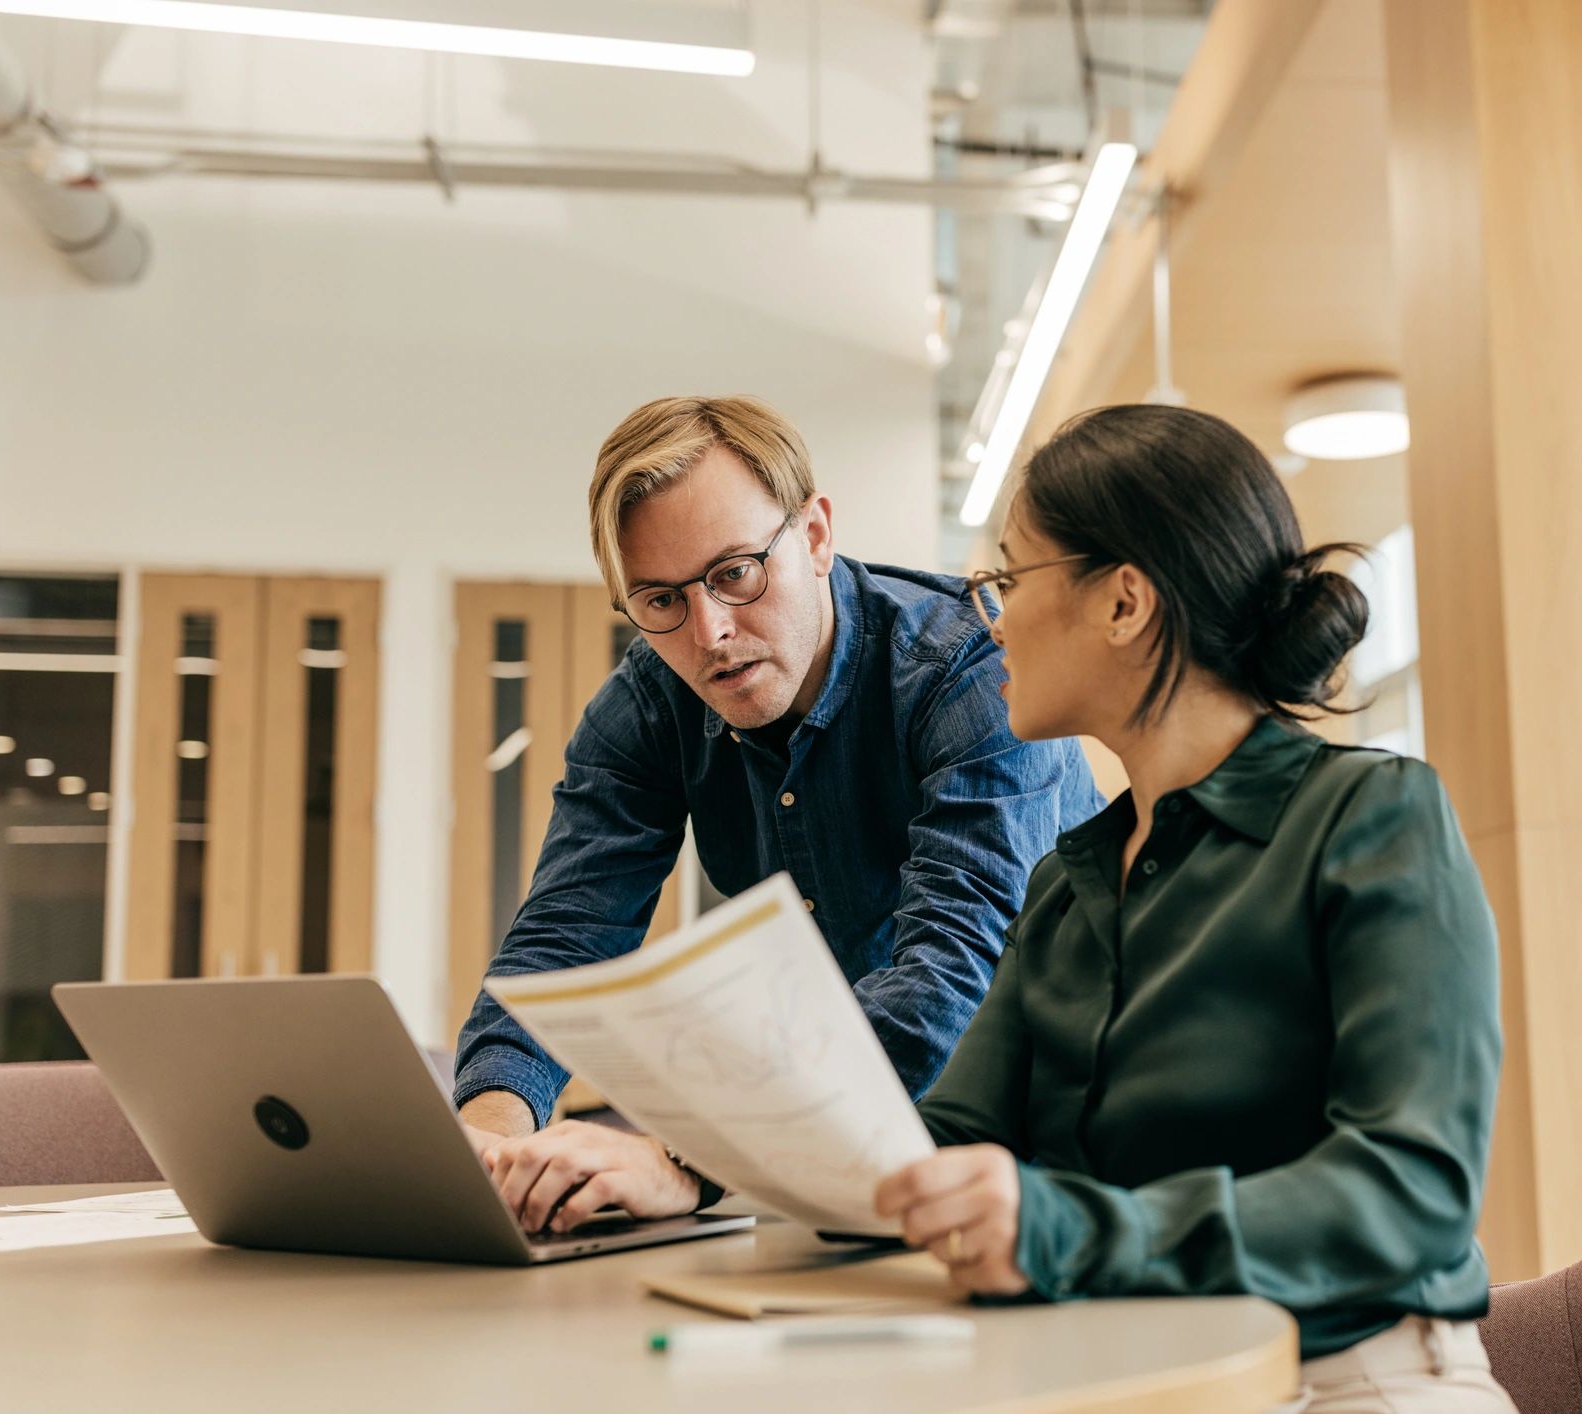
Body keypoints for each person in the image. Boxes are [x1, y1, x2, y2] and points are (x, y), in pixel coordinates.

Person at [874, 404, 1514, 1412]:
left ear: (1123, 601)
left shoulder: (1370, 820)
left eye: (1008, 576)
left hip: (1343, 1378)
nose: (986, 615)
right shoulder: (1069, 876)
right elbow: (945, 1137)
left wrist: (1066, 1232)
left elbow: (1413, 1190)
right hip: (1116, 1375)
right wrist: (684, 1159)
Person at [458, 395, 1101, 1236]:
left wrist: (690, 1158)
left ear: (815, 536)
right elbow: (563, 941)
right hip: (835, 1146)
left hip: (1055, 1138)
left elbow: (951, 970)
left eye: (735, 574)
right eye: (659, 601)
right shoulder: (649, 708)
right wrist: (490, 1143)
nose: (710, 633)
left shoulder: (969, 672)